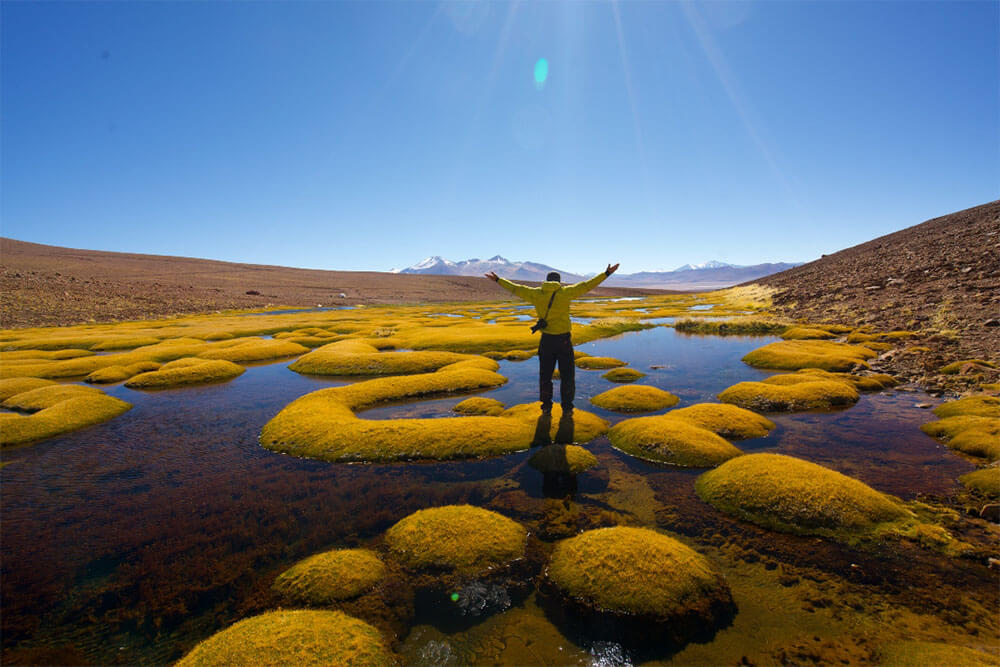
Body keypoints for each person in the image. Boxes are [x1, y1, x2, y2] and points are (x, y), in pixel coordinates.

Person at [486, 263, 619, 415]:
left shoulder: (536, 293)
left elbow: (516, 288)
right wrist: (606, 273)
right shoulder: (566, 292)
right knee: (567, 375)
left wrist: (498, 280)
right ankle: (567, 408)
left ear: (546, 281)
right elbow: (587, 285)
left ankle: (546, 407)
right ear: (559, 281)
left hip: (546, 340)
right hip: (563, 341)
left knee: (545, 375)